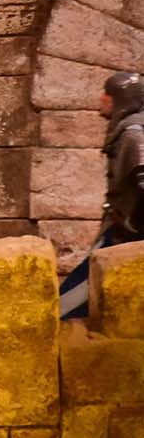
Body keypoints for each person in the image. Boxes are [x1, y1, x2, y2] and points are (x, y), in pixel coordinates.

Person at [60, 70, 144, 319]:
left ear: (120, 99)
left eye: (107, 94)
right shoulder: (128, 132)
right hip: (120, 227)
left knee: (82, 290)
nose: (101, 98)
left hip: (125, 233)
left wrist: (131, 225)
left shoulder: (134, 136)